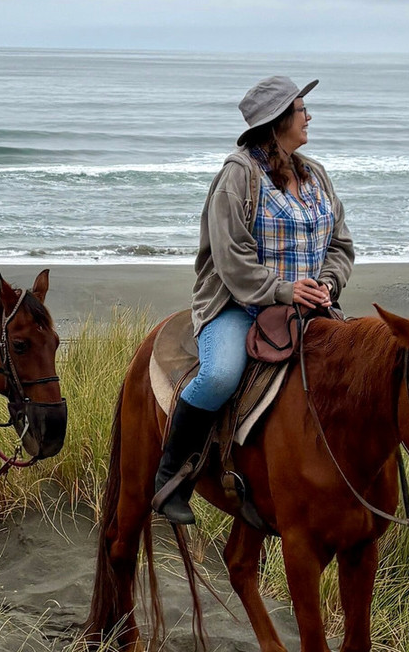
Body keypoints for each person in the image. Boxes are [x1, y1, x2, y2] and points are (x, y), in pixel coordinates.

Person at [153, 76, 355, 524]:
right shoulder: (238, 177)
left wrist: (327, 284)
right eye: (302, 110)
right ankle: (171, 476)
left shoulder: (315, 174)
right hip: (238, 306)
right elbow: (233, 259)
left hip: (311, 306)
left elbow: (340, 245)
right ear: (280, 120)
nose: (309, 117)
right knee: (221, 375)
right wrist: (284, 290)